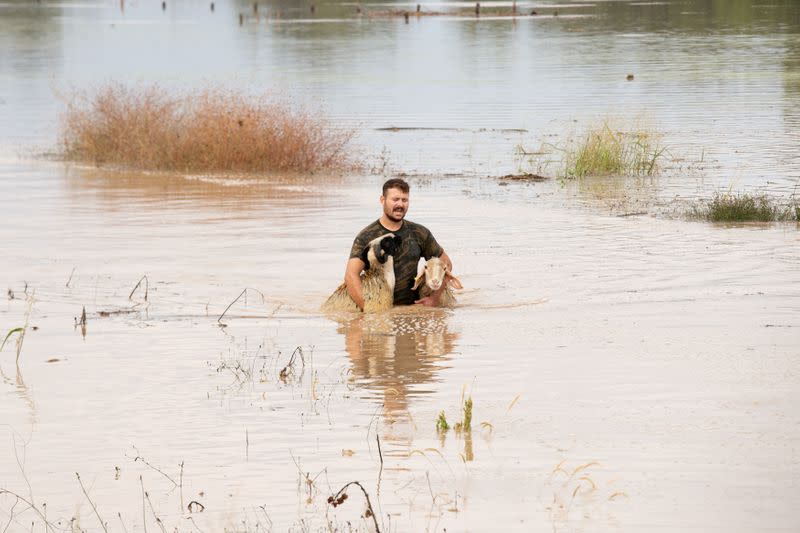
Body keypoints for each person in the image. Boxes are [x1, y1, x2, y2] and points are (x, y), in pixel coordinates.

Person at [344, 178, 453, 309]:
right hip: (380, 306)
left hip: (412, 307)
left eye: (404, 200)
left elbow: (446, 263)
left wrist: (434, 299)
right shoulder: (367, 236)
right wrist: (368, 310)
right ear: (382, 200)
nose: (400, 204)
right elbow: (351, 275)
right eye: (395, 199)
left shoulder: (419, 233)